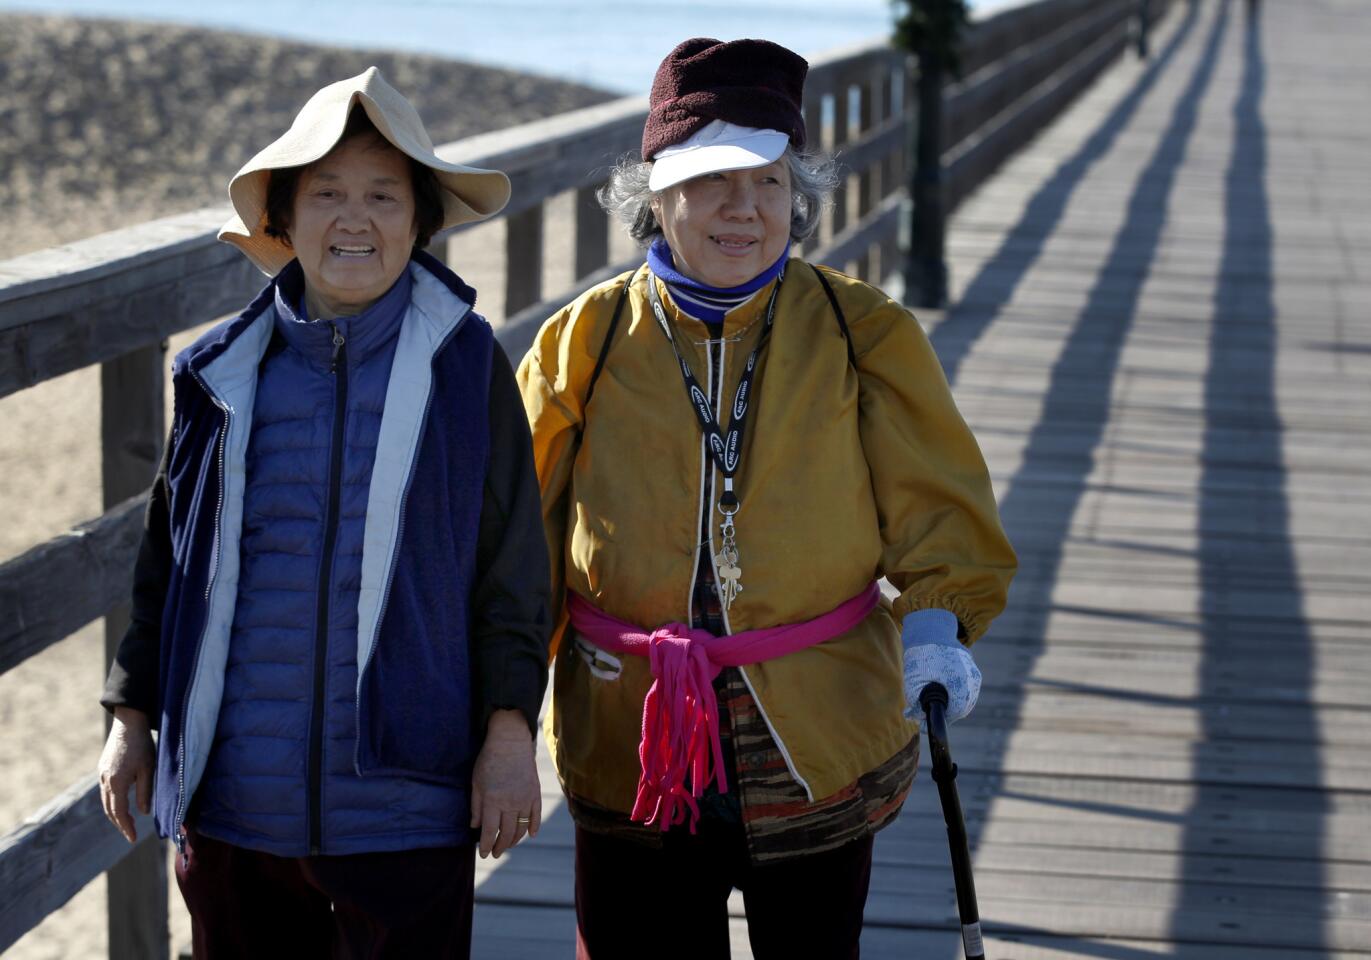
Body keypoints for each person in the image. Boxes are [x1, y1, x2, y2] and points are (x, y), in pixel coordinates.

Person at [517, 37, 1017, 959]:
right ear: (654, 193)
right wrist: (500, 707)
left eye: (771, 181)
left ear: (800, 197)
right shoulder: (580, 342)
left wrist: (939, 625)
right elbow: (513, 547)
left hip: (819, 747)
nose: (744, 208)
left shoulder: (861, 330)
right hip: (631, 745)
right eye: (712, 181)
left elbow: (937, 506)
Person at [96, 67, 550, 959]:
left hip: (408, 804)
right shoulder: (215, 377)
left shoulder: (465, 367)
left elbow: (513, 568)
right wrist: (130, 717)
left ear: (418, 223)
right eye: (327, 193)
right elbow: (166, 567)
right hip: (237, 806)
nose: (355, 219)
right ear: (283, 219)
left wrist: (509, 734)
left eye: (384, 194)